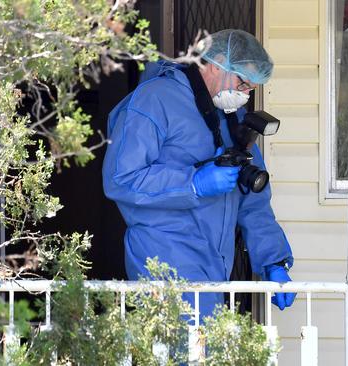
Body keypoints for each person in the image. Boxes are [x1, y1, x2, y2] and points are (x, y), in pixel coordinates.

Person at [102, 29, 295, 321]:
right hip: (164, 261)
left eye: (251, 89)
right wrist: (193, 184)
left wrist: (274, 261)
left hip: (214, 265)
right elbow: (121, 179)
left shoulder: (231, 119)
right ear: (216, 64)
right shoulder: (154, 100)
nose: (244, 95)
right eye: (242, 83)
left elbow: (253, 200)